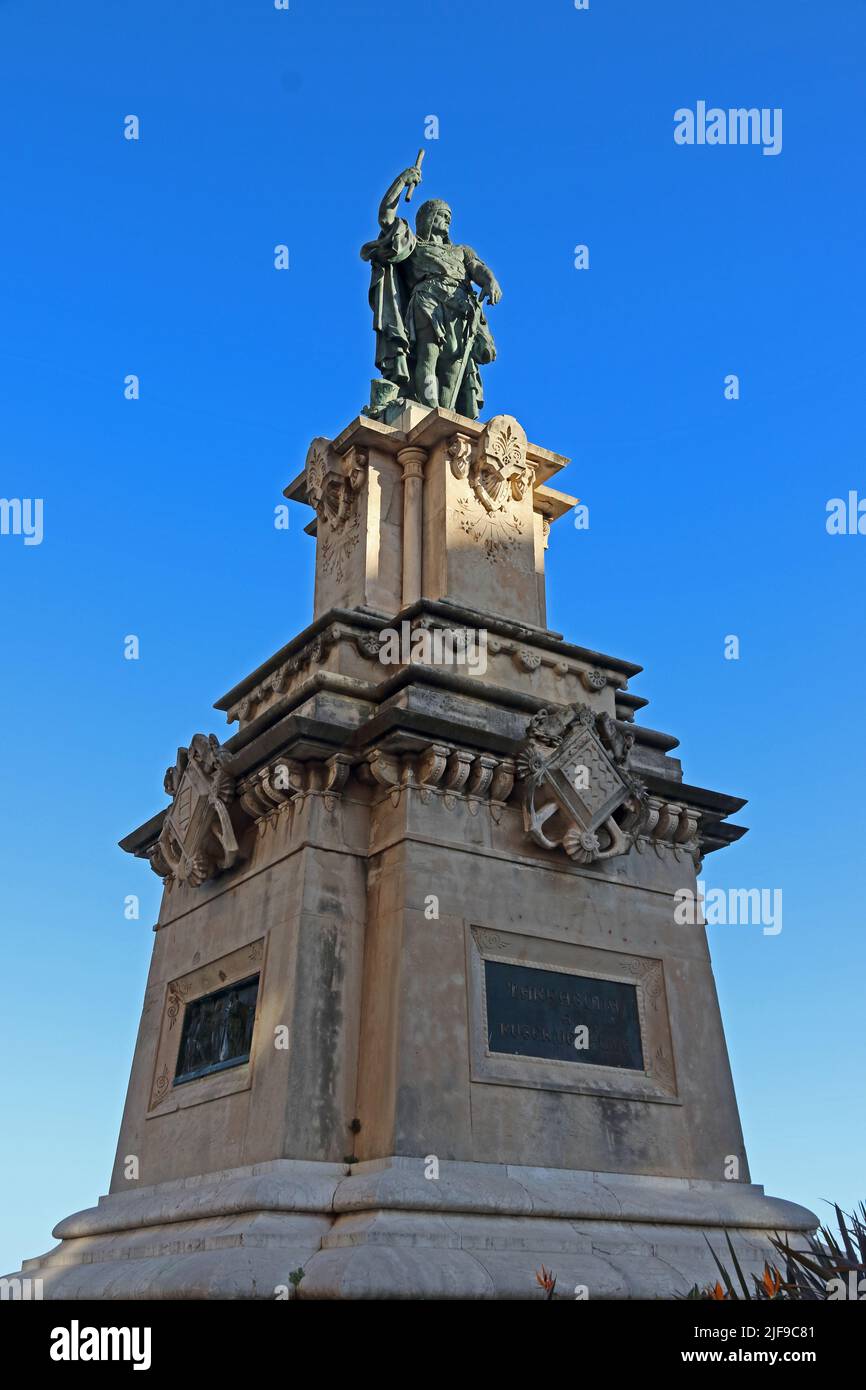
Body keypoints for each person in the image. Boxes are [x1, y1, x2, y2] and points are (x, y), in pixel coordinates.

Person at [360, 163, 502, 419]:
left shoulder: (461, 251)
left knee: (452, 367)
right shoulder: (414, 244)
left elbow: (478, 268)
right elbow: (385, 217)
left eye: (449, 216)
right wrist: (403, 180)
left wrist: (490, 281)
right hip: (428, 302)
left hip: (461, 309)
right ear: (427, 218)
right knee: (428, 357)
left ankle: (446, 419)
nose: (446, 219)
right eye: (441, 215)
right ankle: (430, 414)